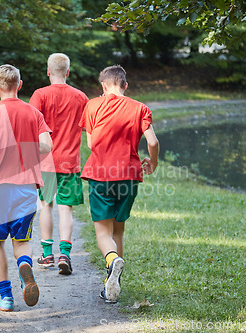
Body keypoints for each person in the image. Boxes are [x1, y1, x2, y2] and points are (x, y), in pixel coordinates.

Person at [78, 65, 159, 303]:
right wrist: (152, 162)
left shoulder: (92, 105)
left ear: (103, 86)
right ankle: (114, 286)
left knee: (103, 231)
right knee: (119, 229)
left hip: (101, 173)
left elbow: (92, 146)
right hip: (128, 174)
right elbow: (152, 142)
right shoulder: (140, 108)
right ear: (125, 85)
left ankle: (112, 261)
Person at [0, 64, 52, 312]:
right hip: (25, 186)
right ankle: (25, 264)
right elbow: (47, 147)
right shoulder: (33, 113)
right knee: (21, 241)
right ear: (20, 85)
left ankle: (6, 297)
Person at [29, 53, 89, 275]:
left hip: (45, 163)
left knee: (46, 205)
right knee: (66, 209)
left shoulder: (40, 95)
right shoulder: (81, 97)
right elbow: (87, 127)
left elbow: (30, 123)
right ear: (68, 72)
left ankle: (47, 254)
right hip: (70, 162)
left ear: (48, 72)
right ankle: (65, 252)